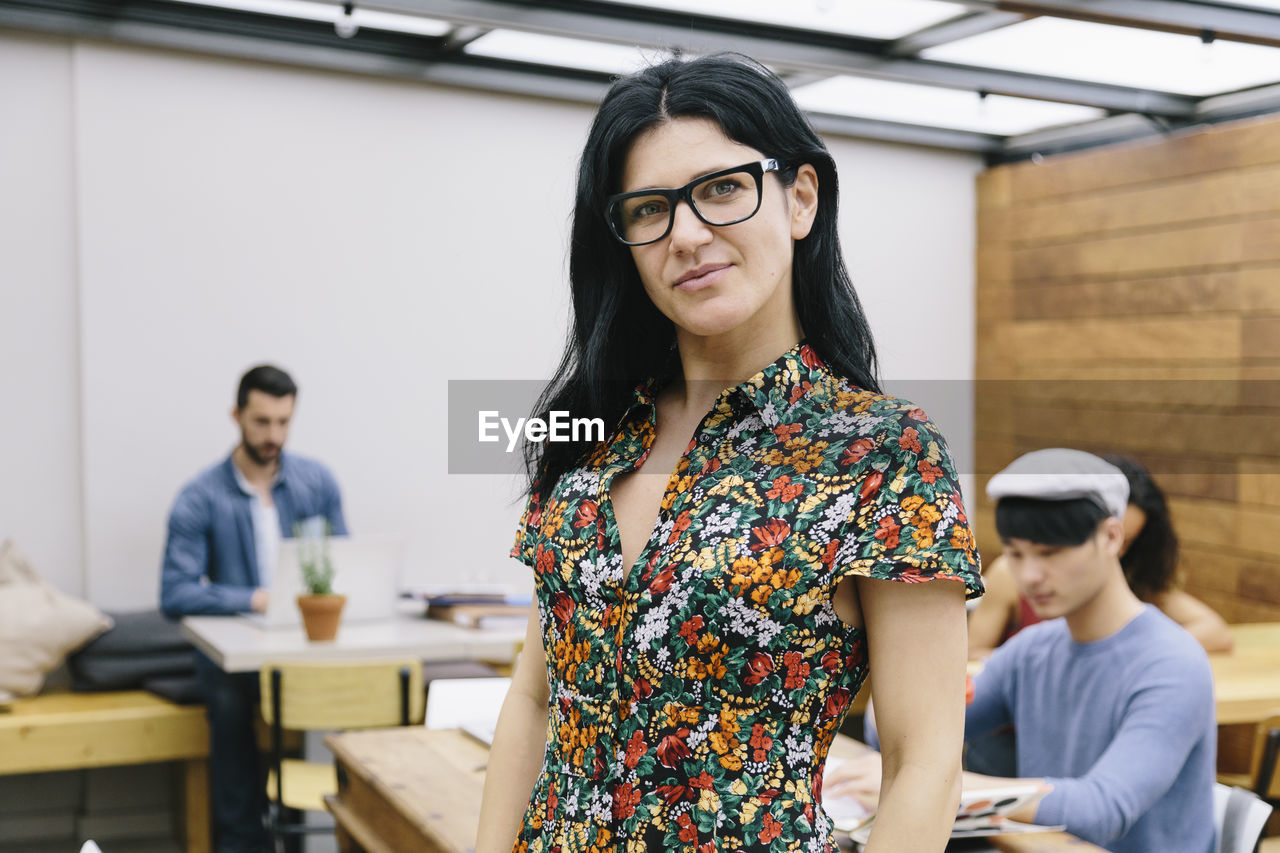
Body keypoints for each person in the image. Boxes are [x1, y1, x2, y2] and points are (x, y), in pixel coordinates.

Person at [475, 54, 983, 853]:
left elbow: (924, 765)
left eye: (721, 189)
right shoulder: (590, 434)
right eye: (649, 209)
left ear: (801, 199)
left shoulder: (883, 453)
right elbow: (537, 698)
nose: (686, 234)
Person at [833, 448, 1217, 853]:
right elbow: (886, 734)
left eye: (1050, 553)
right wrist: (911, 660)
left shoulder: (1174, 663)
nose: (1030, 575)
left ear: (1111, 536)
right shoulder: (1033, 651)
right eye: (1015, 553)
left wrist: (936, 787)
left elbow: (1103, 808)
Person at [159, 364, 347, 853]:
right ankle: (243, 842)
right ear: (237, 416)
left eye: (284, 422)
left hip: (303, 647)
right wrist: (255, 600)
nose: (274, 435)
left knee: (364, 686)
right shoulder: (200, 497)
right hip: (236, 657)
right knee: (227, 697)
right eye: (262, 422)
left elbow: (344, 562)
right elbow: (175, 592)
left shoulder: (316, 482)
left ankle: (344, 828)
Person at [968, 452, 1232, 657]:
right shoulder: (1012, 579)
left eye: (1126, 541)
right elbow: (970, 656)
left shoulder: (1133, 578)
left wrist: (1122, 653)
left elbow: (1215, 631)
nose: (1114, 552)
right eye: (1017, 553)